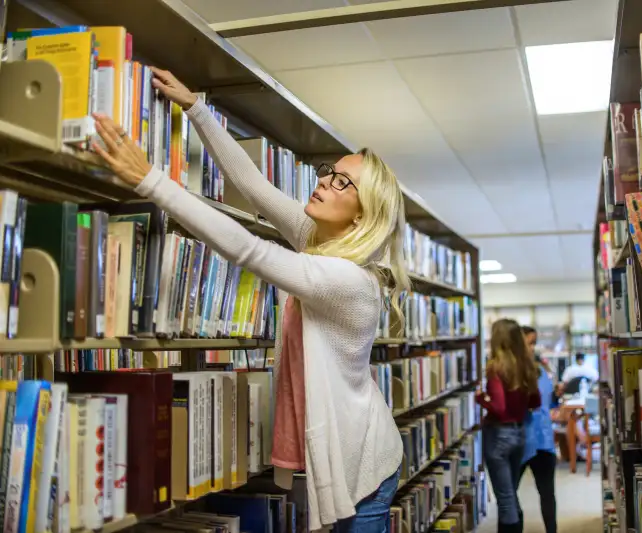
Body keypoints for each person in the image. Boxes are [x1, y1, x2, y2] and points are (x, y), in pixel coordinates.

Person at [91, 68, 409, 533]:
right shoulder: (316, 241)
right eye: (330, 173)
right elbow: (255, 187)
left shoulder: (348, 279)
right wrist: (196, 107)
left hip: (364, 463)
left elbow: (248, 250)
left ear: (364, 216)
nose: (323, 182)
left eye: (343, 183)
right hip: (342, 448)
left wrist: (151, 180)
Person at [477, 319, 541, 533]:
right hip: (519, 433)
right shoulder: (526, 365)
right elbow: (535, 402)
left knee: (505, 498)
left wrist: (481, 399)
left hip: (498, 436)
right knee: (510, 493)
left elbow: (499, 408)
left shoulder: (496, 367)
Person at [517, 333, 558, 533]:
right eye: (528, 343)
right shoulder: (511, 373)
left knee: (547, 493)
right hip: (520, 441)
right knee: (509, 495)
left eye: (534, 343)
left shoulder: (542, 370)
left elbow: (549, 403)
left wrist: (557, 393)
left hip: (543, 440)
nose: (532, 348)